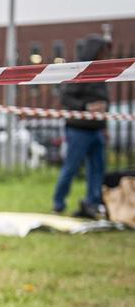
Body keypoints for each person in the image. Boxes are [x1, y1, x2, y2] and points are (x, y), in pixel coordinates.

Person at [53, 34, 112, 218]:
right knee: (71, 167)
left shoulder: (100, 73)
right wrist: (85, 107)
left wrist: (105, 126)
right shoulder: (79, 71)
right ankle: (58, 202)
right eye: (103, 51)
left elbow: (103, 103)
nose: (105, 56)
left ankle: (92, 203)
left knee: (98, 168)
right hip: (78, 129)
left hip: (96, 130)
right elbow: (65, 97)